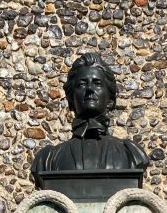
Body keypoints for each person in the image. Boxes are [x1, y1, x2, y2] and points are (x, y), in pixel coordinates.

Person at [31, 53, 149, 182]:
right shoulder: (48, 159)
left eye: (97, 83)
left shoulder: (131, 154)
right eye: (82, 84)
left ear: (110, 100)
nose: (90, 89)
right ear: (71, 100)